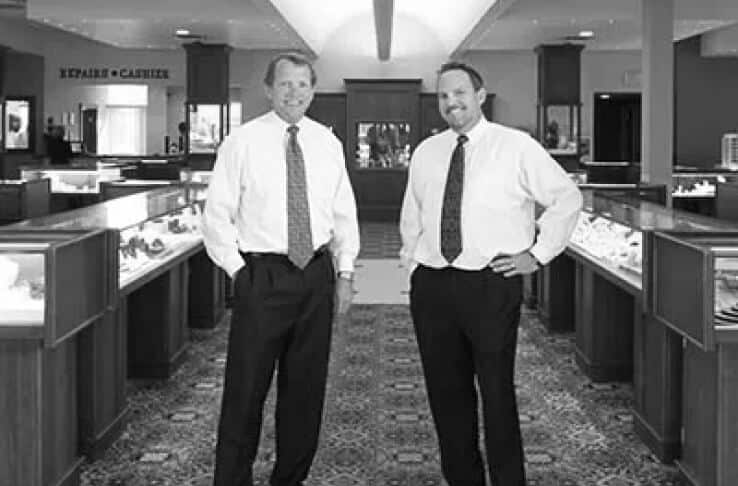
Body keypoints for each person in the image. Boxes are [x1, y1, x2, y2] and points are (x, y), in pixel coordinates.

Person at [399, 61, 582, 486]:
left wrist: (537, 255)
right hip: (433, 285)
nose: (451, 103)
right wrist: (413, 266)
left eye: (460, 93)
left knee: (496, 393)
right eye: (443, 96)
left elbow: (566, 198)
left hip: (490, 284)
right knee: (446, 396)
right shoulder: (428, 152)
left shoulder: (516, 147)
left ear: (480, 96)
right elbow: (413, 215)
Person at [202, 52, 360, 486]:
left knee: (305, 391)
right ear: (268, 88)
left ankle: (289, 478)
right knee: (245, 390)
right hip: (262, 275)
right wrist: (239, 272)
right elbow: (216, 215)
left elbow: (343, 212)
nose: (294, 93)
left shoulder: (327, 143)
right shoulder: (242, 142)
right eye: (285, 84)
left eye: (303, 84)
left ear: (313, 90)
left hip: (316, 275)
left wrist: (345, 272)